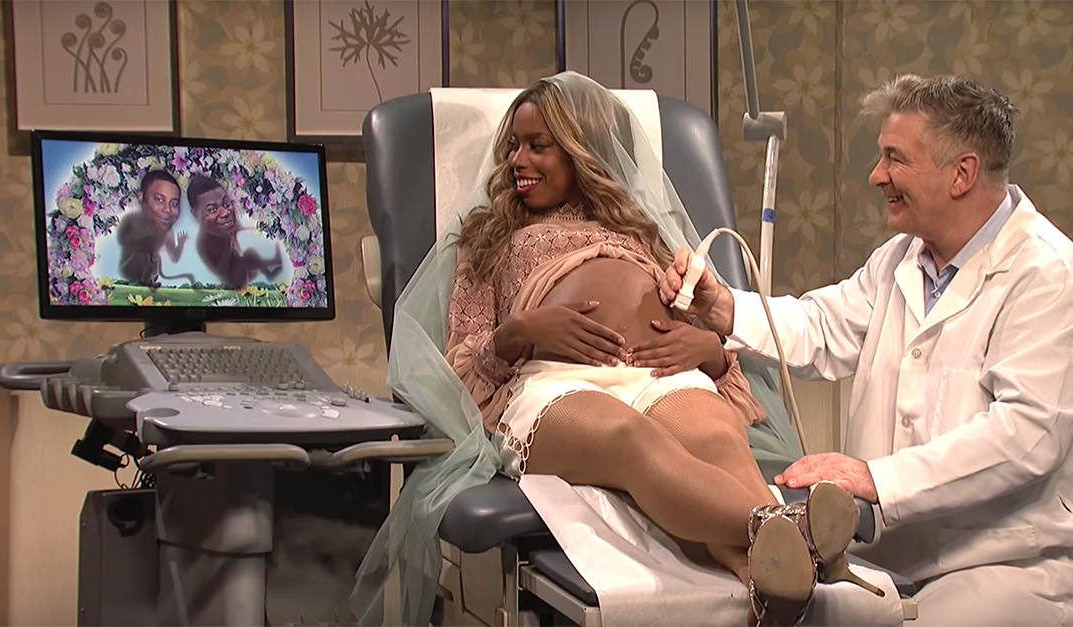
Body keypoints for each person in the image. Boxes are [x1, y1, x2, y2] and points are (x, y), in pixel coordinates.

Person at [351, 72, 877, 627]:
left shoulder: (641, 230)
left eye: (537, 146)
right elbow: (460, 366)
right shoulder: (487, 238)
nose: (517, 161)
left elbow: (715, 342)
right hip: (553, 384)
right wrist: (524, 328)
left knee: (719, 439)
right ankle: (793, 530)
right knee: (633, 440)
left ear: (581, 150)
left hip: (659, 375)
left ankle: (766, 580)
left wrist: (707, 347)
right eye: (513, 147)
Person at [658, 74, 1073, 625]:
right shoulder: (901, 259)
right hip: (906, 552)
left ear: (962, 174)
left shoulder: (1054, 283)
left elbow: (1024, 439)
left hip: (1025, 560)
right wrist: (723, 307)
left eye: (895, 158)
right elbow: (822, 325)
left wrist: (875, 480)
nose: (876, 175)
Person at [185, 175, 283, 289]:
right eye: (212, 209)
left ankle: (270, 268)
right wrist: (227, 248)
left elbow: (241, 231)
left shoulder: (227, 225)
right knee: (241, 263)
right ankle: (268, 266)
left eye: (226, 204)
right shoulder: (203, 243)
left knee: (249, 253)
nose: (225, 212)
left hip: (244, 268)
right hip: (234, 280)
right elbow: (220, 272)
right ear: (196, 214)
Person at [116, 169, 195, 288]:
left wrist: (181, 243)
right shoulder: (132, 220)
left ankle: (150, 282)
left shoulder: (166, 231)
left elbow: (174, 256)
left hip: (150, 271)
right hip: (130, 268)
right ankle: (146, 282)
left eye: (174, 204)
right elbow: (123, 239)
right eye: (159, 200)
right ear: (141, 197)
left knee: (154, 260)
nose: (167, 209)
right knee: (144, 255)